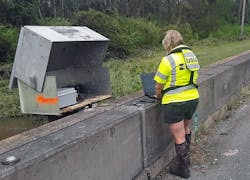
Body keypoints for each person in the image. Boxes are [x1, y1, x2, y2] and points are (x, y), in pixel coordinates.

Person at [154, 30, 200, 178]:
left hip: (175, 102)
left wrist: (158, 96)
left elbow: (158, 84)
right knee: (186, 129)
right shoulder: (191, 56)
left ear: (167, 43)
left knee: (178, 136)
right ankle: (187, 161)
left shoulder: (168, 60)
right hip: (192, 99)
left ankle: (183, 169)